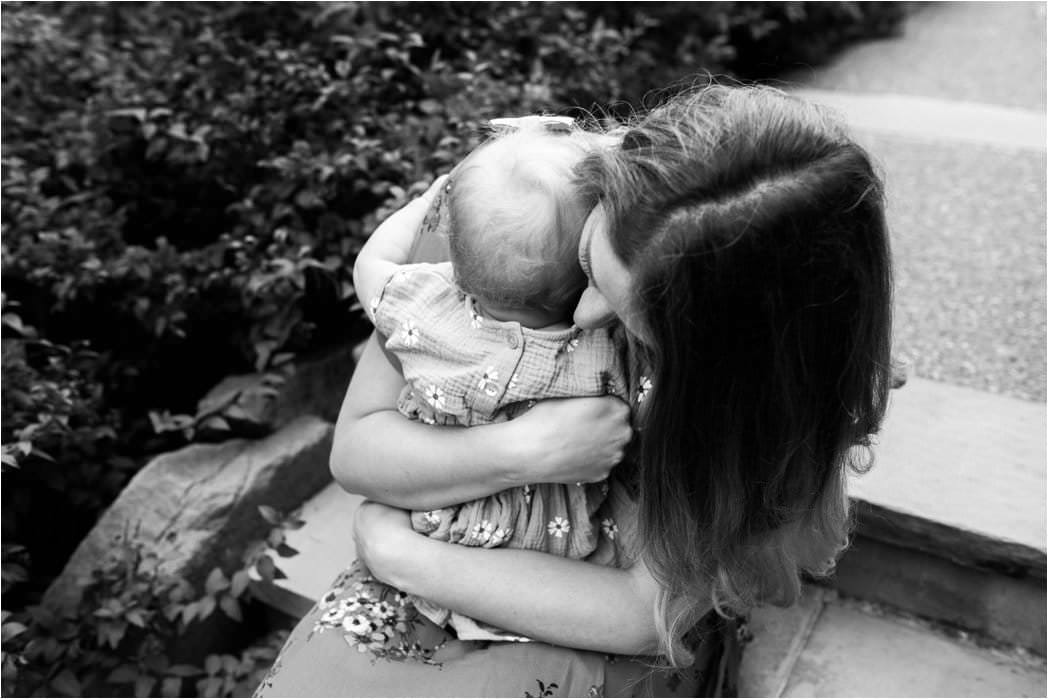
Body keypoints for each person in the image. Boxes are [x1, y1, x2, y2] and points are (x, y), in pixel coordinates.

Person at [255, 84, 893, 698]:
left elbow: (644, 615)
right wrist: (522, 450)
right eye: (586, 266)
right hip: (450, 547)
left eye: (628, 314)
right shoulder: (519, 212)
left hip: (580, 607)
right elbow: (359, 452)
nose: (583, 315)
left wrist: (399, 555)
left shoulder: (755, 402)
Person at [350, 116, 629, 642]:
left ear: (454, 251)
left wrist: (425, 203)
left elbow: (372, 261)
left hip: (446, 527)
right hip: (550, 555)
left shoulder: (421, 313)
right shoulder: (594, 346)